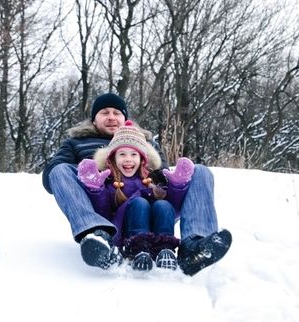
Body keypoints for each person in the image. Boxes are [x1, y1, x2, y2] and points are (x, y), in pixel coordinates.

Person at [42, 92, 231, 276]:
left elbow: (162, 177)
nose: (111, 117)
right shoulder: (77, 142)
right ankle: (98, 236)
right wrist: (92, 176)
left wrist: (174, 182)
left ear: (125, 118)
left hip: (153, 207)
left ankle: (193, 246)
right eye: (104, 112)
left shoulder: (146, 142)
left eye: (117, 113)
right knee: (59, 170)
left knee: (201, 171)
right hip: (106, 206)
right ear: (93, 119)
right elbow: (51, 180)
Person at [77, 120, 194, 271]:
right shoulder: (111, 181)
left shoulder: (152, 180)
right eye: (122, 154)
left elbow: (174, 207)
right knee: (139, 203)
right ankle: (138, 249)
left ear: (142, 159)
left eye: (134, 154)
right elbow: (103, 212)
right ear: (112, 158)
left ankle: (165, 250)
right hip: (126, 234)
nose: (128, 159)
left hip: (154, 229)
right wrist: (96, 189)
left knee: (163, 204)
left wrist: (178, 185)